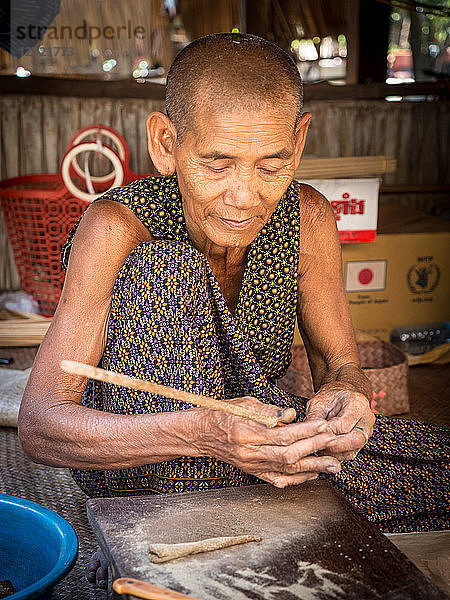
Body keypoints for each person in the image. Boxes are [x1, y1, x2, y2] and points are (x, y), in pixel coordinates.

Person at [19, 33, 448, 589]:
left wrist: (347, 402)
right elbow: (40, 425)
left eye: (271, 165)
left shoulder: (308, 219)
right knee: (165, 267)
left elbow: (341, 367)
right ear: (166, 142)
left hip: (264, 444)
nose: (245, 197)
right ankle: (157, 525)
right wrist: (208, 435)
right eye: (217, 164)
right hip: (149, 463)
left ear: (297, 143)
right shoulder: (115, 229)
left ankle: (236, 515)